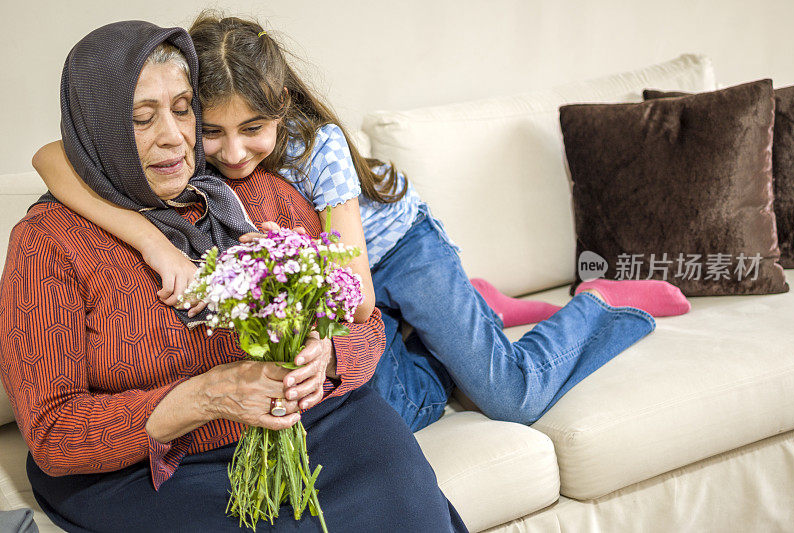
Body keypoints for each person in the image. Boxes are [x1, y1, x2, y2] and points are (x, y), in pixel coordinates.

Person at [32, 13, 691, 433]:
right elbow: (51, 157)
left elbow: (357, 295)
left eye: (253, 129)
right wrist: (150, 242)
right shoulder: (184, 148)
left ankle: (597, 306)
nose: (232, 153)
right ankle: (472, 311)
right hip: (347, 274)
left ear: (280, 107)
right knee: (385, 398)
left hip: (396, 254)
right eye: (212, 132)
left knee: (510, 394)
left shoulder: (315, 150)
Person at [0, 20, 467, 532]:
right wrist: (203, 396)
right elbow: (51, 434)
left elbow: (364, 321)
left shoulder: (252, 193)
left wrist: (328, 356)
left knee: (402, 490)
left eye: (183, 110)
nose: (173, 137)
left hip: (311, 424)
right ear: (99, 130)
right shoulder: (49, 242)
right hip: (152, 468)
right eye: (141, 118)